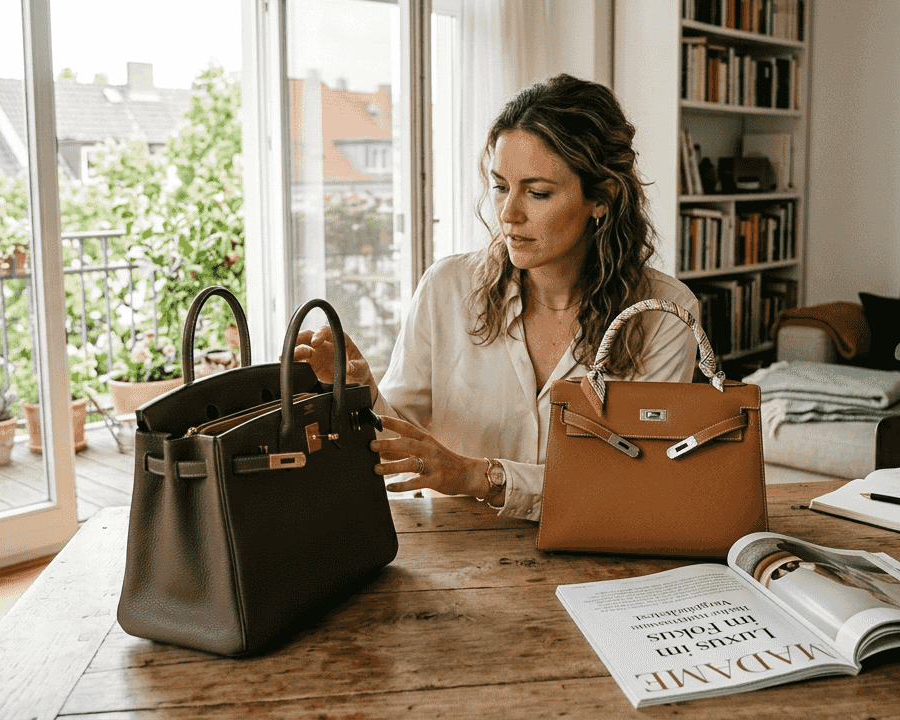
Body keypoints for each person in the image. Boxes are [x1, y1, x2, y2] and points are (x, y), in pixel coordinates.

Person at [294, 74, 699, 521]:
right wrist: (361, 392)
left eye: (538, 192)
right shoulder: (446, 287)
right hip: (456, 559)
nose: (509, 214)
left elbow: (630, 478)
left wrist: (480, 476)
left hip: (599, 564)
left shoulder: (665, 313)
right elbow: (400, 443)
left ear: (601, 198)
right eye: (501, 186)